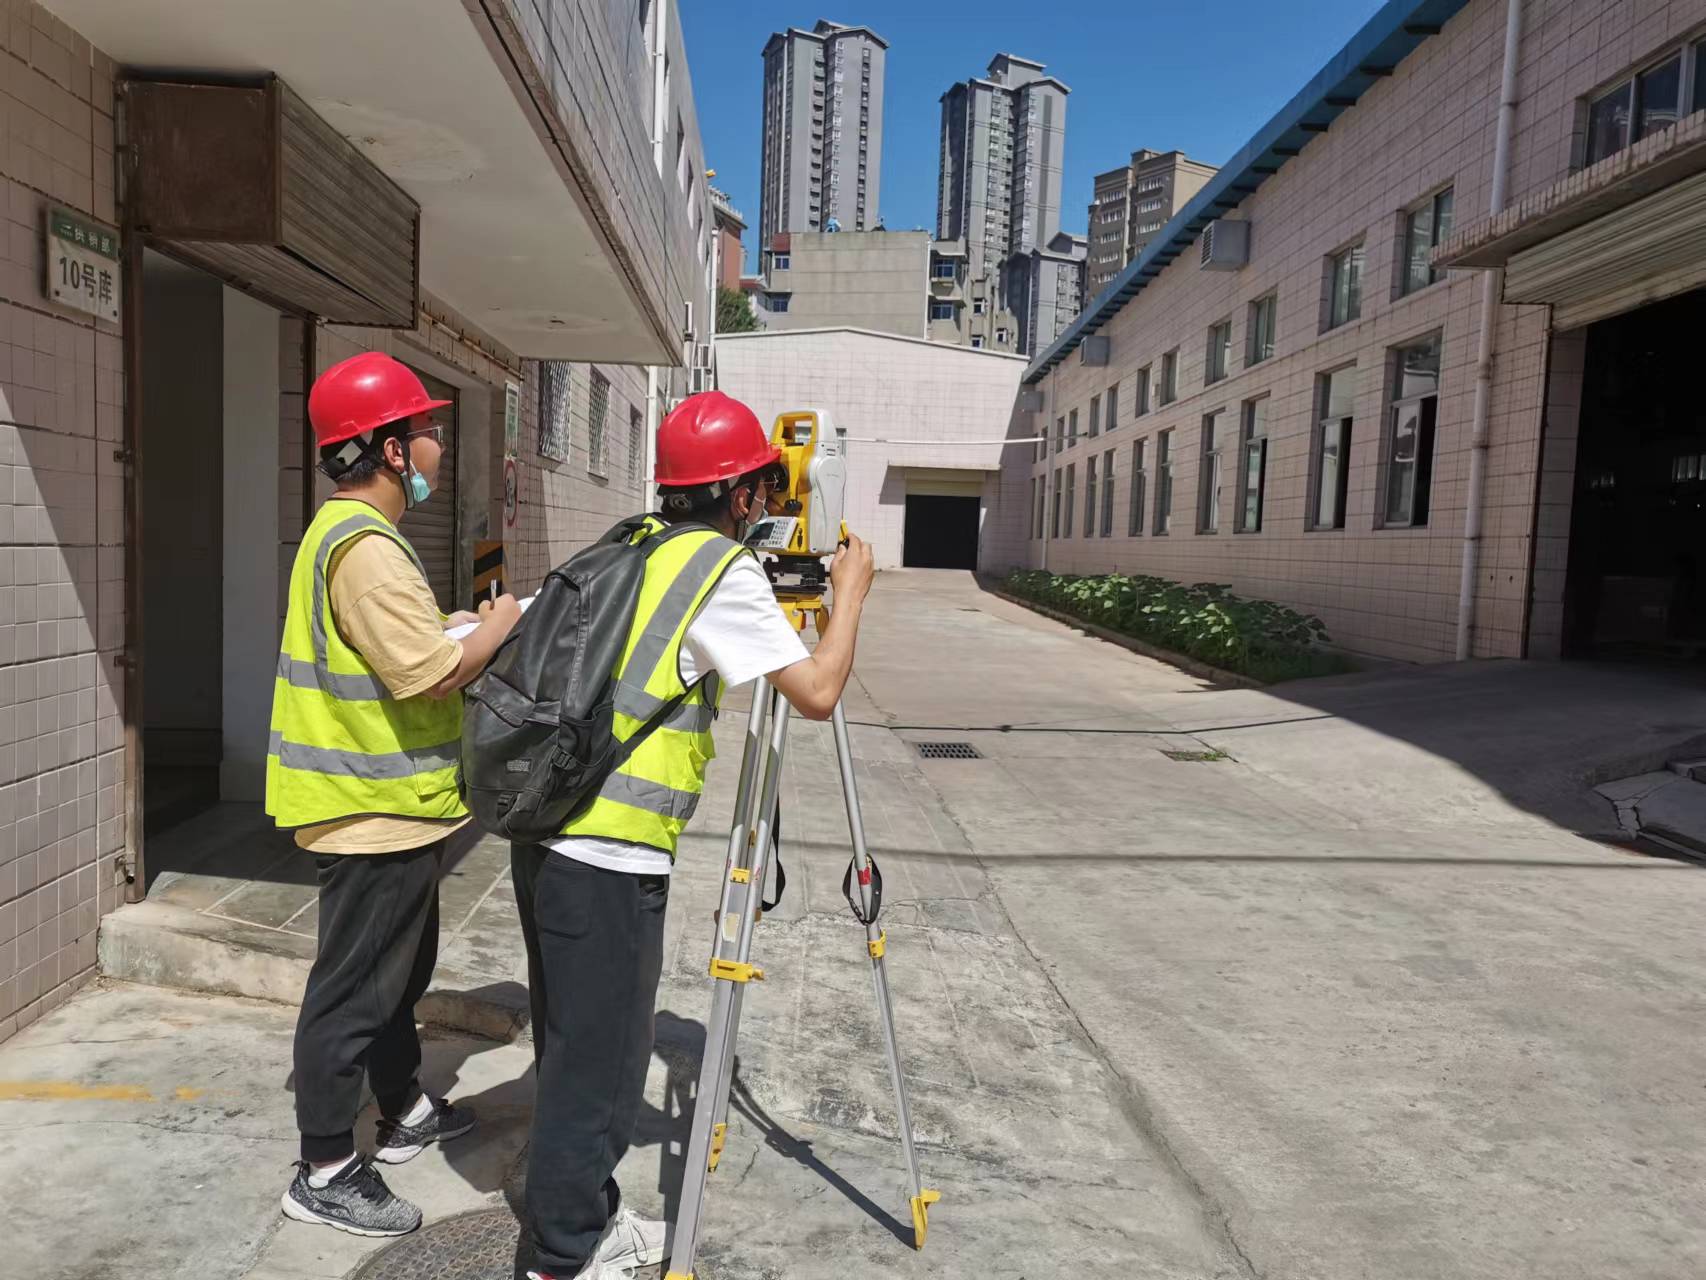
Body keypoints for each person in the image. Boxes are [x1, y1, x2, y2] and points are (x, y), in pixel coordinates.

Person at [512, 391, 875, 1280]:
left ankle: (588, 1217)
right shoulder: (721, 573)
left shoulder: (636, 544)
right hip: (608, 852)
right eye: (762, 483)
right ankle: (559, 1256)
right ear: (745, 494)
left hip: (552, 834)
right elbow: (817, 691)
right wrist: (851, 595)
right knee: (594, 1070)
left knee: (577, 1047)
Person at [268, 351, 523, 1236]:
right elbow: (422, 675)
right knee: (353, 990)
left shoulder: (351, 538)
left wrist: (455, 627)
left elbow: (397, 649)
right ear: (385, 448)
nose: (437, 446)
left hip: (396, 808)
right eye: (425, 431)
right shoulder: (366, 547)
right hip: (368, 812)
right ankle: (326, 1165)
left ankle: (405, 1110)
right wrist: (493, 628)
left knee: (398, 976)